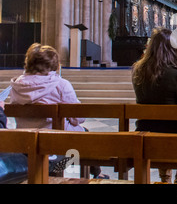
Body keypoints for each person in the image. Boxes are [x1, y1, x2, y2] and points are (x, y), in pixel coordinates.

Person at [9, 43, 108, 179]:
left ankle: (96, 173)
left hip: (24, 149)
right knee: (84, 135)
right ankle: (97, 174)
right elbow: (78, 118)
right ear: (54, 65)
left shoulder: (16, 86)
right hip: (56, 154)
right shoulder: (60, 85)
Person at [132, 28, 177, 184]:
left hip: (145, 131)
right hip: (174, 135)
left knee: (160, 125)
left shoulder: (138, 70)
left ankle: (165, 178)